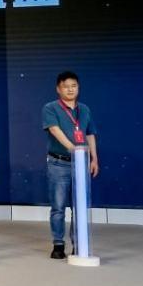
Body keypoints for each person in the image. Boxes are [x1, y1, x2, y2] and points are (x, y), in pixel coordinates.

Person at [41, 71, 99, 260]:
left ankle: (79, 243)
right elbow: (54, 130)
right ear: (58, 89)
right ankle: (58, 244)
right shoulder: (50, 108)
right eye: (66, 86)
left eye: (74, 86)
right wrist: (73, 149)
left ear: (78, 88)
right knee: (58, 206)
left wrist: (93, 158)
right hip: (59, 163)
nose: (70, 89)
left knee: (79, 206)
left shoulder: (85, 109)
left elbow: (90, 134)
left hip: (82, 164)